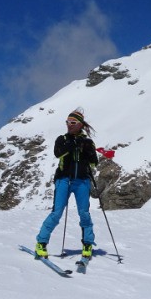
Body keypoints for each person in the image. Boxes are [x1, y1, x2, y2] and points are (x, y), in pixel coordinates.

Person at [35, 108, 98, 259]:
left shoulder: (88, 142)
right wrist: (73, 144)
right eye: (67, 122)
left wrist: (87, 149)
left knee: (84, 213)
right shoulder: (62, 139)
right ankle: (41, 243)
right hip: (63, 179)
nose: (69, 125)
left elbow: (94, 163)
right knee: (57, 212)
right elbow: (58, 153)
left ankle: (88, 244)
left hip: (82, 180)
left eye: (73, 122)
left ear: (80, 125)